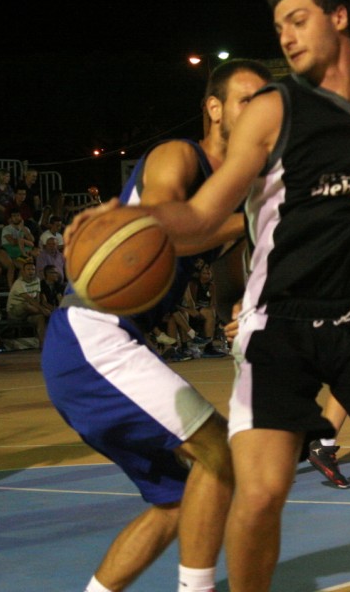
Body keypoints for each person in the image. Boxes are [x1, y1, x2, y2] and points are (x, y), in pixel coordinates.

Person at [69, 0, 350, 588]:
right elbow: (203, 213)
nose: (288, 38)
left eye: (298, 21)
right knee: (260, 493)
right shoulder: (273, 109)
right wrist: (134, 217)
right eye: (279, 29)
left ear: (339, 17)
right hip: (280, 322)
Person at [44, 58, 270, 592]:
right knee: (219, 452)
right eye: (246, 100)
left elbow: (227, 275)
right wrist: (253, 220)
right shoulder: (179, 156)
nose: (258, 111)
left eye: (265, 102)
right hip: (91, 335)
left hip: (109, 343)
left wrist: (241, 308)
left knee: (176, 502)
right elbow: (164, 227)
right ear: (214, 109)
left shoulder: (236, 191)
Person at [6, 261, 51, 345]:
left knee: (40, 318)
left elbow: (37, 299)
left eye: (33, 269)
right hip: (15, 311)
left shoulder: (37, 280)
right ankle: (48, 314)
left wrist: (42, 311)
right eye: (28, 269)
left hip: (30, 312)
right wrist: (43, 310)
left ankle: (43, 344)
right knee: (26, 305)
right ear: (23, 271)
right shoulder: (19, 283)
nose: (31, 271)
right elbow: (29, 299)